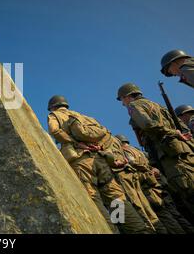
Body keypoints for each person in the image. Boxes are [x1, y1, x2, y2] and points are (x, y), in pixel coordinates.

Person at [46, 95, 152, 234]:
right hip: (101, 159)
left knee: (93, 198)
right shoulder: (84, 117)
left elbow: (54, 131)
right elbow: (105, 136)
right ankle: (134, 229)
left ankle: (111, 231)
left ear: (52, 107)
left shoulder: (54, 115)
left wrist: (76, 143)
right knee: (115, 198)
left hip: (81, 160)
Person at [116, 83, 194, 218]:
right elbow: (185, 129)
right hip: (185, 151)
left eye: (122, 99)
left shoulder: (134, 106)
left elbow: (147, 124)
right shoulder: (158, 106)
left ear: (127, 96)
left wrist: (173, 133)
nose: (123, 104)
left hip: (169, 153)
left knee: (187, 190)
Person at [116, 134, 194, 233]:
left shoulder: (125, 152)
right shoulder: (139, 151)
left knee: (164, 218)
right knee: (175, 215)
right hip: (158, 187)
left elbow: (134, 166)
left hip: (148, 190)